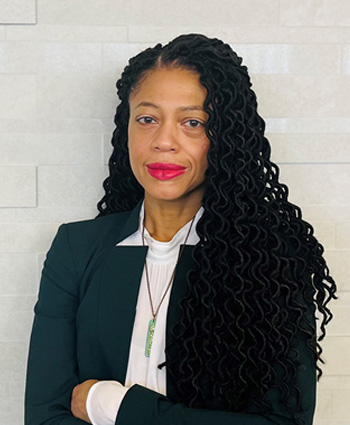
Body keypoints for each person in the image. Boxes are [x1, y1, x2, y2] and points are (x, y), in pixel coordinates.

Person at [25, 33, 337, 425]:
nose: (164, 142)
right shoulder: (76, 249)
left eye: (192, 122)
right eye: (147, 119)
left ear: (223, 137)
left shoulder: (271, 261)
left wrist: (114, 405)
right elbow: (43, 416)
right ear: (127, 130)